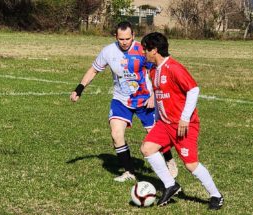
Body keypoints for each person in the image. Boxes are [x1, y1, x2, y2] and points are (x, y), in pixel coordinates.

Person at [70, 21, 178, 182]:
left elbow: (158, 70)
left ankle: (169, 159)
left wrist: (154, 96)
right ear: (116, 37)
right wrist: (79, 89)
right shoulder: (108, 51)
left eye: (128, 38)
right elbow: (93, 70)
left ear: (133, 36)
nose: (125, 42)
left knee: (155, 136)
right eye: (121, 39)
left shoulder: (142, 51)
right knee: (116, 134)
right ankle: (129, 172)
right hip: (121, 100)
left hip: (144, 99)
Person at [140, 32, 224, 209]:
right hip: (164, 124)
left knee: (191, 165)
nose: (143, 52)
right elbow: (160, 96)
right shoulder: (154, 70)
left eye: (145, 49)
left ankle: (216, 195)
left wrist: (185, 118)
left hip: (183, 125)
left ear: (154, 50)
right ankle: (170, 184)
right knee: (147, 148)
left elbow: (193, 90)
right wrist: (157, 117)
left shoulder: (174, 68)